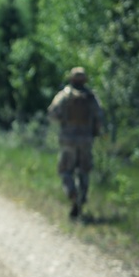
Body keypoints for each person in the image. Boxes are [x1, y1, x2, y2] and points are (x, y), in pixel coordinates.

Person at [47, 66, 104, 218]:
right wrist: (94, 133)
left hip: (68, 139)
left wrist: (64, 121)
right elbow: (99, 118)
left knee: (65, 170)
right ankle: (81, 197)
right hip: (86, 139)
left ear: (71, 79)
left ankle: (72, 194)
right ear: (85, 80)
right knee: (84, 170)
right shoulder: (91, 97)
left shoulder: (64, 95)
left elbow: (52, 113)